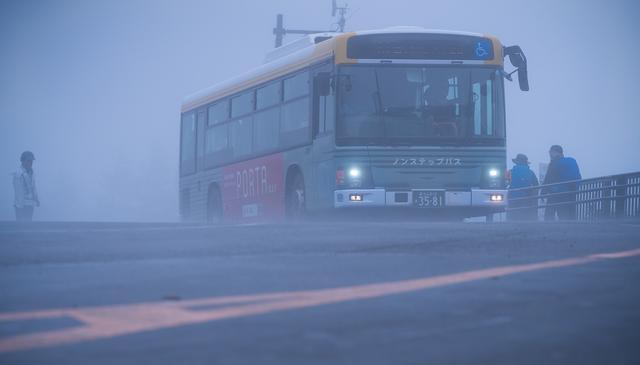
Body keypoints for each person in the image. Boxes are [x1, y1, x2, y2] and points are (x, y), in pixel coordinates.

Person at [542, 145, 581, 220]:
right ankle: (572, 230)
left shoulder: (554, 163)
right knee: (568, 216)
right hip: (571, 193)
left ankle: (548, 229)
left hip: (556, 193)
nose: (549, 154)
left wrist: (543, 192)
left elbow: (548, 179)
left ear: (555, 152)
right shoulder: (571, 161)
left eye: (550, 152)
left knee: (548, 215)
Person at [507, 153, 539, 221]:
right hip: (526, 198)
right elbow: (536, 185)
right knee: (525, 218)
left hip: (512, 198)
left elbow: (504, 184)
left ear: (516, 162)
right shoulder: (531, 172)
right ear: (526, 163)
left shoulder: (509, 172)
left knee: (513, 217)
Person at [13, 151, 40, 222]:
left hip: (30, 204)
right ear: (23, 161)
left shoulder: (31, 172)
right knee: (21, 226)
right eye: (28, 160)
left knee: (28, 225)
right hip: (21, 206)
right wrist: (20, 208)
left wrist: (36, 199)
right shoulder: (19, 174)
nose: (31, 162)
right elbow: (19, 192)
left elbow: (33, 188)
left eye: (31, 161)